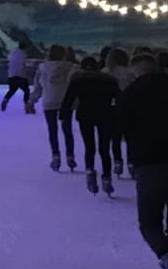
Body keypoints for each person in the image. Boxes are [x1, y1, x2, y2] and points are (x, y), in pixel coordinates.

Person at [114, 54, 168, 269]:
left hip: (148, 165)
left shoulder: (130, 95)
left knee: (149, 222)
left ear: (136, 72)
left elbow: (118, 128)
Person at [62, 56, 120, 196]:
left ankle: (90, 172)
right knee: (104, 148)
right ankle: (107, 178)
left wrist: (64, 115)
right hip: (106, 115)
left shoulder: (77, 80)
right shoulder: (109, 80)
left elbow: (68, 99)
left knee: (89, 146)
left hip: (85, 115)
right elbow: (120, 97)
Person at [30, 44, 76, 171]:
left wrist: (32, 100)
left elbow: (38, 87)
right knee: (67, 130)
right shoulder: (70, 67)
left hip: (49, 101)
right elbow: (75, 85)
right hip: (65, 102)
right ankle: (70, 156)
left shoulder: (42, 68)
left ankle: (56, 156)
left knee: (52, 130)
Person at [105, 48, 135, 178]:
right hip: (127, 106)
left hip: (110, 107)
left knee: (115, 137)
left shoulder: (105, 72)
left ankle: (117, 161)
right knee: (130, 136)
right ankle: (131, 162)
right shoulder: (130, 73)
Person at [0, 42, 33, 113]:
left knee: (12, 90)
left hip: (11, 75)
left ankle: (5, 99)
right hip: (21, 75)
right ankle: (27, 105)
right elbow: (23, 63)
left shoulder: (13, 53)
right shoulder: (23, 54)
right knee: (26, 90)